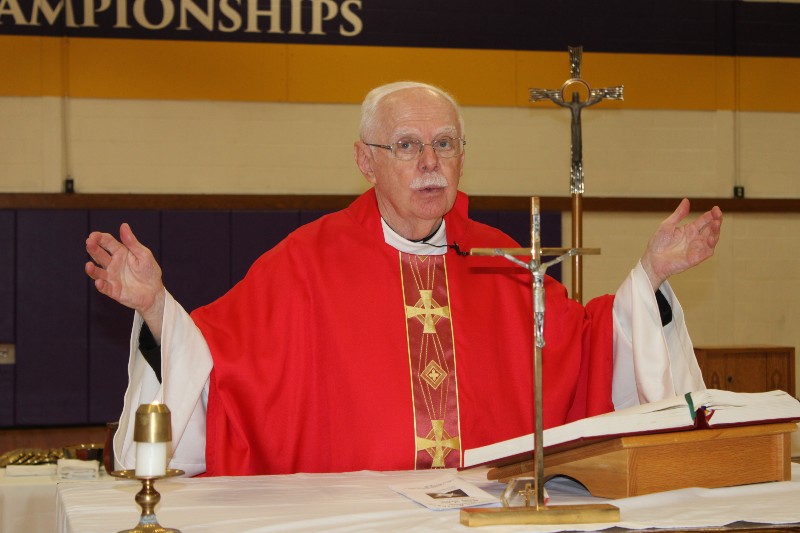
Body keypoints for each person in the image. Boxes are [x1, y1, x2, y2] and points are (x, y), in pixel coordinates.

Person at [85, 81, 722, 477]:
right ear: (366, 160)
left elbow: (582, 350)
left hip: (483, 513)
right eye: (408, 146)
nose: (430, 164)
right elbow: (219, 360)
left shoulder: (501, 262)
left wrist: (651, 277)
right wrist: (156, 308)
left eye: (445, 145)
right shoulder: (307, 262)